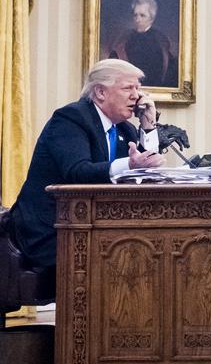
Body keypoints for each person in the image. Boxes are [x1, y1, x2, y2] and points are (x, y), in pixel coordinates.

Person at [8, 59, 166, 275]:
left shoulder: (125, 129)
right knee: (126, 259)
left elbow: (146, 171)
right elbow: (78, 172)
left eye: (138, 89)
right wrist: (129, 164)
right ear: (100, 92)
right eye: (128, 88)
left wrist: (148, 126)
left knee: (149, 252)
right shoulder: (71, 118)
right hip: (50, 230)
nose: (137, 96)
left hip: (95, 227)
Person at [109, 0, 178, 87]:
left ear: (151, 19)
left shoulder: (161, 40)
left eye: (142, 15)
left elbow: (170, 71)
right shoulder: (124, 39)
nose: (137, 19)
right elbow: (112, 66)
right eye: (135, 15)